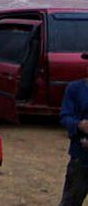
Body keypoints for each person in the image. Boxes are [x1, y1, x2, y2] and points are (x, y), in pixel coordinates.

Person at [58, 62, 88, 205]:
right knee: (71, 201)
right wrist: (79, 125)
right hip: (81, 158)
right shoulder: (75, 89)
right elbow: (65, 116)